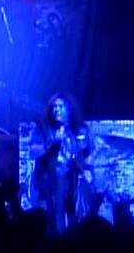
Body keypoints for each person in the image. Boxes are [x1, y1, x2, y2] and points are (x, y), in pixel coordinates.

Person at [29, 93, 93, 234]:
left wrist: (88, 170)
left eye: (60, 106)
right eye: (54, 107)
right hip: (51, 183)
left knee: (75, 217)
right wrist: (52, 141)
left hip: (75, 182)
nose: (56, 110)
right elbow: (33, 152)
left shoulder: (80, 129)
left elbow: (87, 153)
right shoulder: (43, 129)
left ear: (69, 108)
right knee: (56, 218)